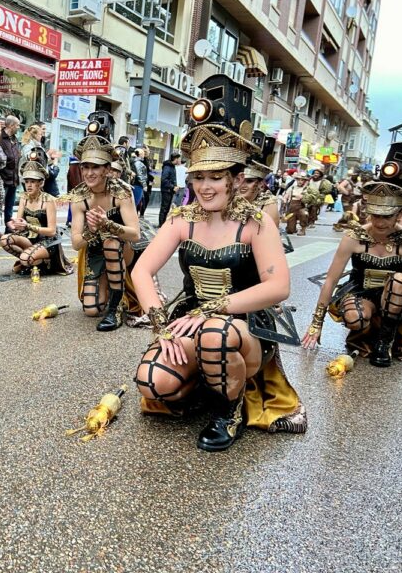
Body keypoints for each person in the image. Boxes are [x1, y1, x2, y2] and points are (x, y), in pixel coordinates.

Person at [131, 74, 306, 452]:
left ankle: (230, 410)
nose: (205, 186)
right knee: (152, 381)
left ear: (236, 178)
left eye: (216, 177)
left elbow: (278, 288)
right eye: (198, 177)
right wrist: (161, 327)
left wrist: (214, 308)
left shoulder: (257, 224)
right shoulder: (181, 219)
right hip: (190, 322)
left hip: (244, 330)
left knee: (215, 332)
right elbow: (141, 270)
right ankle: (207, 388)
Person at [302, 141, 402, 371]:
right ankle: (367, 335)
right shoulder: (354, 236)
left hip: (400, 299)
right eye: (375, 215)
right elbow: (331, 280)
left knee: (401, 281)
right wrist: (315, 324)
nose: (380, 223)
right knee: (354, 317)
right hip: (361, 292)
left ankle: (385, 341)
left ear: (401, 212)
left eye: (387, 217)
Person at [69, 134, 141, 331]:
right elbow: (75, 243)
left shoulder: (122, 191)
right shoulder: (78, 196)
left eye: (96, 167)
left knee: (110, 242)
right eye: (85, 167)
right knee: (91, 309)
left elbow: (135, 234)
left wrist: (108, 225)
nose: (89, 173)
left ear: (107, 170)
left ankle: (115, 309)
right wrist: (91, 231)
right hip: (95, 253)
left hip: (123, 250)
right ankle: (107, 287)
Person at [0, 159, 72, 276]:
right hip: (30, 239)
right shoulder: (24, 198)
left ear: (41, 183)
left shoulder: (48, 200)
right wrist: (15, 225)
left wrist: (27, 226)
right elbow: (19, 227)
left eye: (33, 181)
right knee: (4, 239)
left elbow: (52, 231)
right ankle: (33, 260)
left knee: (24, 259)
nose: (28, 185)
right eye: (26, 181)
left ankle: (38, 261)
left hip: (48, 242)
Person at [0, 115, 21, 231]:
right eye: (17, 125)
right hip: (3, 176)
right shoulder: (0, 138)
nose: (18, 127)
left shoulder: (15, 139)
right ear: (11, 125)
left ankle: (8, 227)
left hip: (14, 177)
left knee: (9, 206)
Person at [282, 170, 312, 235]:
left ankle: (303, 229)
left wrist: (303, 197)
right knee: (290, 231)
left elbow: (309, 199)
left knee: (304, 214)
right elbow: (285, 196)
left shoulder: (307, 189)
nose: (300, 181)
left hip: (301, 207)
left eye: (302, 180)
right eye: (299, 180)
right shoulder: (292, 188)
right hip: (292, 209)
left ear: (304, 181)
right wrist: (284, 200)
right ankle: (292, 228)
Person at [159, 153, 179, 228]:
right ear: (176, 159)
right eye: (179, 159)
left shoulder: (172, 166)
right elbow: (164, 180)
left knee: (166, 208)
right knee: (164, 208)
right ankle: (161, 224)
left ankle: (163, 224)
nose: (179, 160)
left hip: (169, 190)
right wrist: (172, 187)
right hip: (166, 190)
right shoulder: (167, 167)